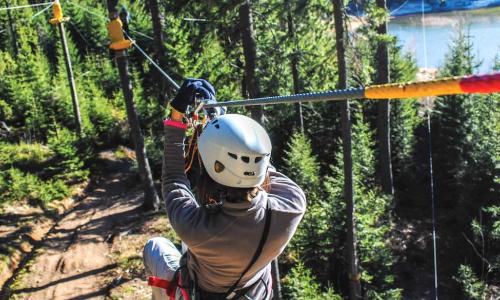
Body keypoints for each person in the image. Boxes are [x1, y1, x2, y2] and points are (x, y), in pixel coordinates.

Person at [143, 79, 306, 300]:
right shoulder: (292, 205)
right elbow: (261, 168)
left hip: (199, 293)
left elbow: (173, 179)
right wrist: (219, 126)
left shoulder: (195, 227)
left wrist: (176, 117)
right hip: (253, 292)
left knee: (155, 246)